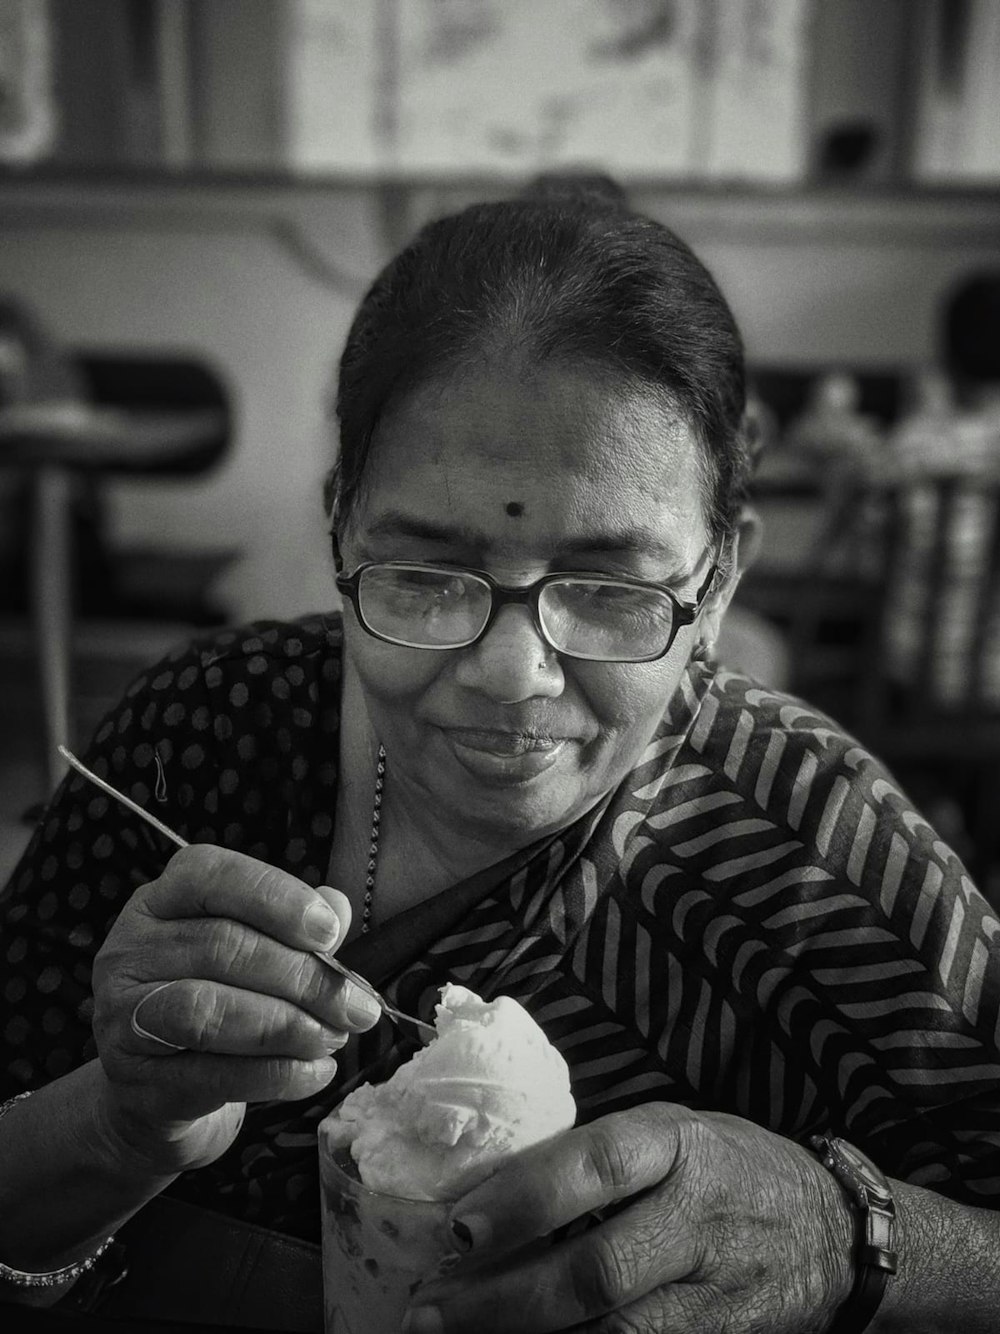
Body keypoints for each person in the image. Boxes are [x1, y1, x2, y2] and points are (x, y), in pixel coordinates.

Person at [1, 176, 999, 1334]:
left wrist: (854, 1233)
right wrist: (114, 1128)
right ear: (339, 526)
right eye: (424, 574)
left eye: (613, 587)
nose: (512, 675)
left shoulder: (818, 858)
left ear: (718, 581)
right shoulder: (196, 736)